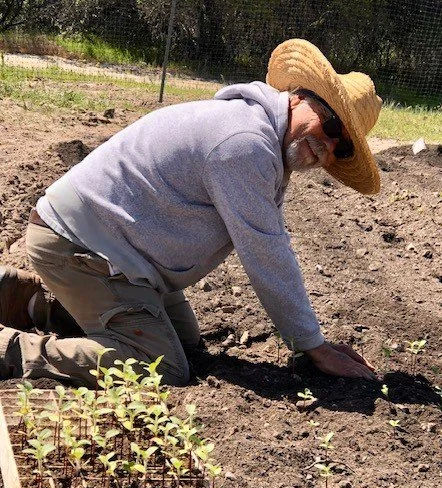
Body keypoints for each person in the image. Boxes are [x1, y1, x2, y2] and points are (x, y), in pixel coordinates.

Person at [0, 39, 382, 387]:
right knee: (161, 364)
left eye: (342, 148)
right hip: (80, 245)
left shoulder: (255, 131)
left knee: (184, 341)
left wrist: (310, 342)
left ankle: (36, 304)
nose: (328, 144)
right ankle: (11, 349)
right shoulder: (245, 143)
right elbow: (266, 252)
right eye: (330, 123)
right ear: (299, 97)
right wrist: (315, 346)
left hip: (114, 252)